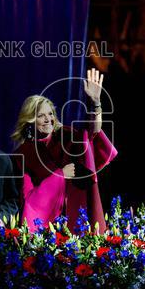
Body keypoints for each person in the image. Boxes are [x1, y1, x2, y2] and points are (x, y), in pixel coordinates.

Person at [12, 69, 118, 234]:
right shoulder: (23, 154)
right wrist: (61, 175)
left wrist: (95, 103)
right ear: (30, 121)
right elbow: (30, 201)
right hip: (49, 227)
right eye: (41, 115)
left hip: (77, 212)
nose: (49, 119)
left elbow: (92, 133)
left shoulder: (67, 135)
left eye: (51, 113)